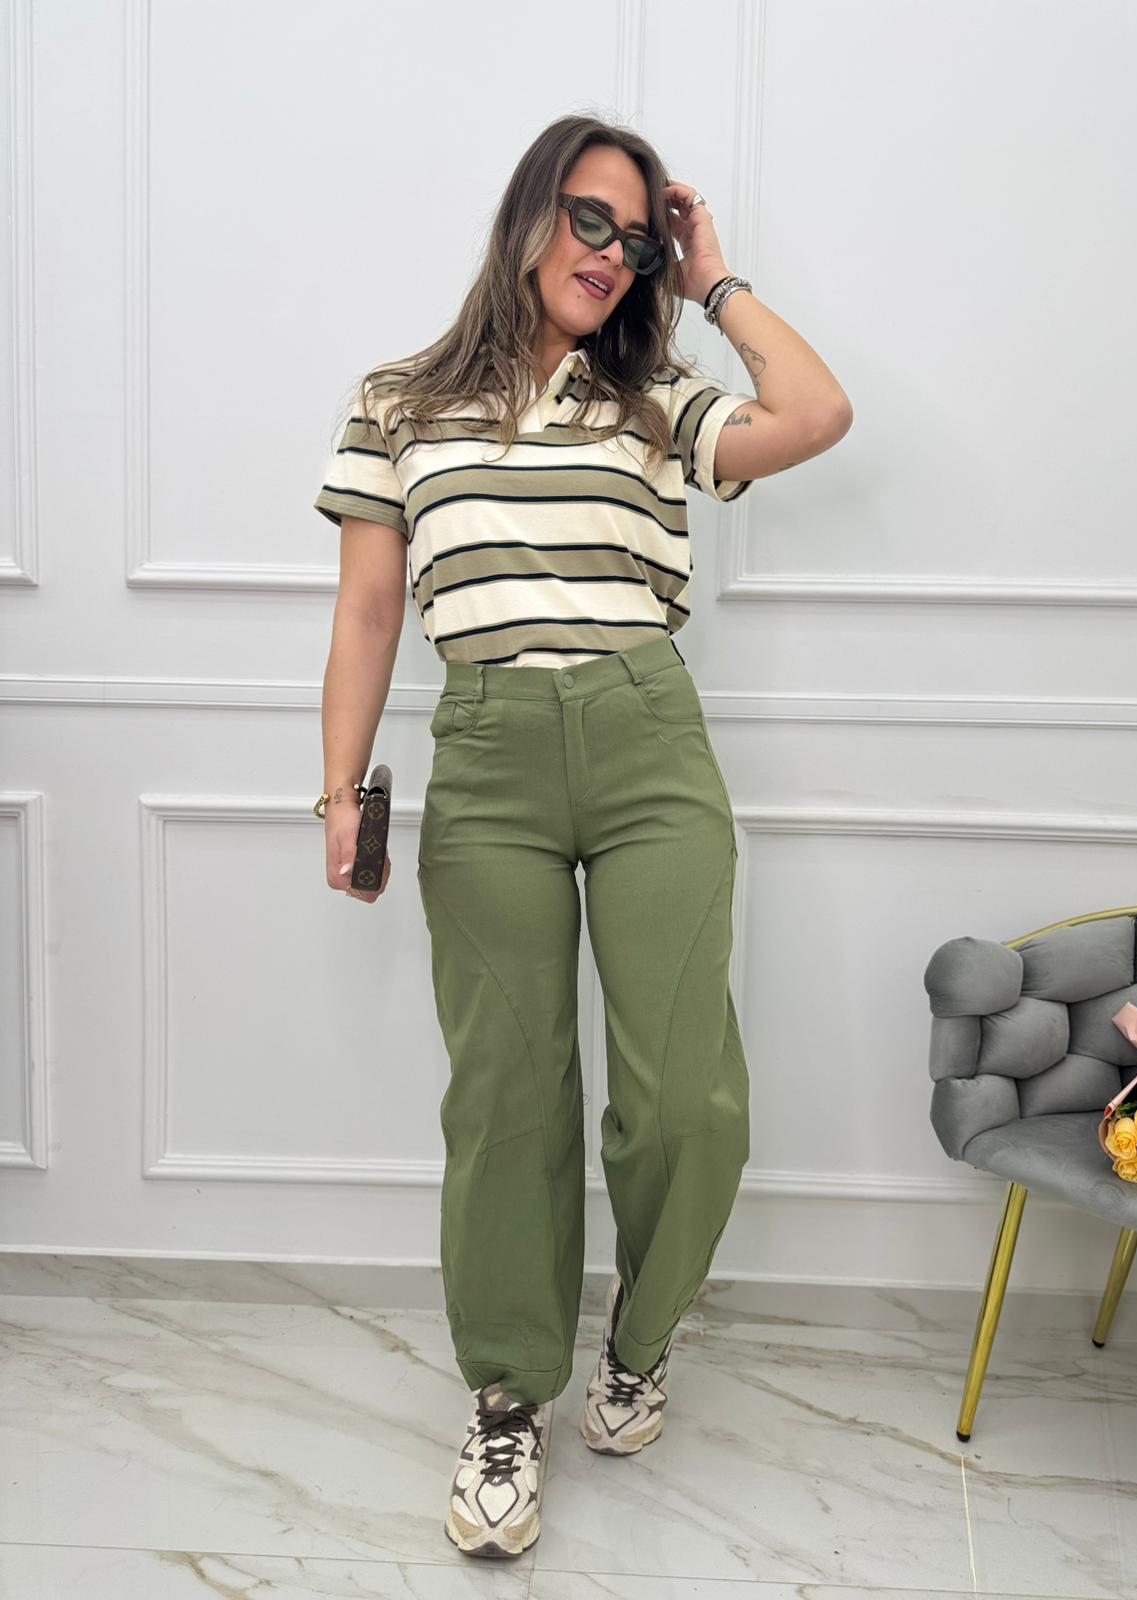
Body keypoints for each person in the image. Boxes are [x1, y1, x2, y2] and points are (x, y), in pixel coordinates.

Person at [311, 114, 853, 1560]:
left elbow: (816, 414)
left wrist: (715, 280)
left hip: (645, 743)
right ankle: (506, 1397)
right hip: (486, 753)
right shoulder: (397, 401)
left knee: (685, 1098)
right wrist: (340, 792)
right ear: (529, 214)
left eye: (636, 236)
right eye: (588, 218)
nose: (609, 254)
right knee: (508, 1094)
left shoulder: (657, 396)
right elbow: (367, 611)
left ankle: (641, 1340)